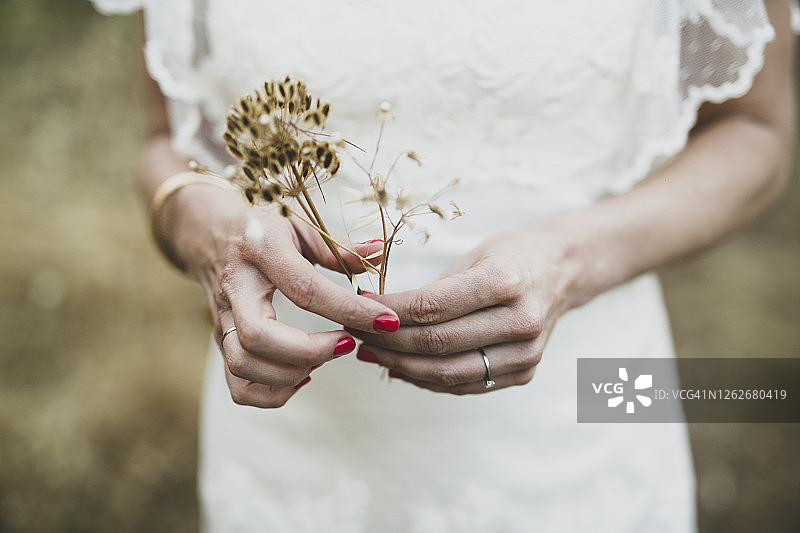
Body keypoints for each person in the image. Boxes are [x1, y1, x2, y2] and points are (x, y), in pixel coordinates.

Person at [93, 1, 795, 531]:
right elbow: (165, 138)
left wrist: (570, 261)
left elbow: (756, 127)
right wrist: (211, 232)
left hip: (581, 430)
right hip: (291, 441)